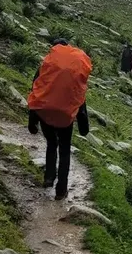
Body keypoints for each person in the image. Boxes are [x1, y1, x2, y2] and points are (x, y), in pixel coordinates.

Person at [27, 39, 91, 200]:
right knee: (64, 150)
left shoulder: (46, 67)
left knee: (51, 143)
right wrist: (84, 126)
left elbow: (37, 91)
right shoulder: (75, 71)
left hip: (45, 112)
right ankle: (61, 190)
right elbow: (79, 97)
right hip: (65, 116)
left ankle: (49, 178)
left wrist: (32, 120)